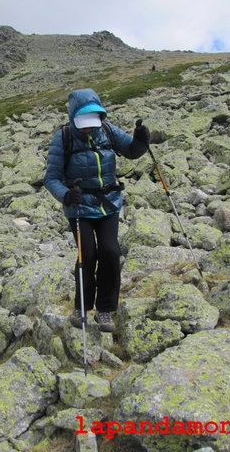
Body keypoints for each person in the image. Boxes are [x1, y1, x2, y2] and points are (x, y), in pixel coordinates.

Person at [44, 88, 150, 332]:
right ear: (73, 118)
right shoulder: (64, 138)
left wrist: (142, 140)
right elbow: (51, 178)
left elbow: (132, 151)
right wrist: (67, 195)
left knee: (111, 252)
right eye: (83, 123)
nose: (88, 129)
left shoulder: (109, 131)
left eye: (92, 123)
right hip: (79, 207)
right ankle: (81, 308)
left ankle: (104, 311)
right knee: (87, 255)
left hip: (109, 204)